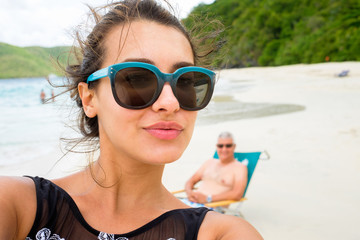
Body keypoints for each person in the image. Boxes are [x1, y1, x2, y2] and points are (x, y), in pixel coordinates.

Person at [0, 1, 262, 239]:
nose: (170, 103)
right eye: (137, 79)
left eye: (186, 82)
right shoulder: (15, 206)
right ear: (90, 99)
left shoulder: (223, 234)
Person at [185, 132, 248, 204]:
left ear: (234, 147)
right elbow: (190, 182)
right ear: (216, 147)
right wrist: (189, 193)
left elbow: (237, 194)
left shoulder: (239, 168)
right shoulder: (209, 162)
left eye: (228, 146)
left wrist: (208, 198)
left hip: (211, 208)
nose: (224, 149)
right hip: (190, 202)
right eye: (220, 146)